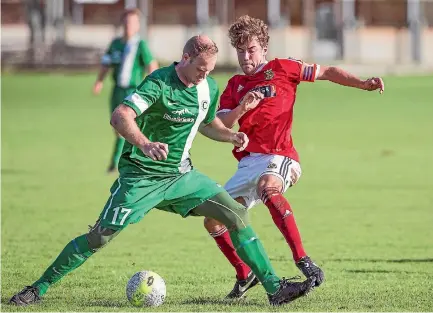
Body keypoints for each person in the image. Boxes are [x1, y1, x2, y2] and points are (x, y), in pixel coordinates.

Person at [9, 35, 316, 307]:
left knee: (235, 214)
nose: (205, 76)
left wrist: (230, 135)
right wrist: (144, 144)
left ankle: (275, 289)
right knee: (100, 238)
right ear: (185, 58)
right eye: (200, 69)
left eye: (209, 71)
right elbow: (120, 116)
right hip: (141, 178)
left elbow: (208, 124)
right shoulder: (158, 83)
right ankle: (38, 288)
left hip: (182, 177)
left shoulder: (207, 86)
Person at [203, 15, 385, 299]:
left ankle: (303, 259)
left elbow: (327, 72)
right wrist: (242, 107)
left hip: (280, 156)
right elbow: (222, 123)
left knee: (268, 187)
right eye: (240, 50)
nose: (245, 56)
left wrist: (362, 84)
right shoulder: (235, 84)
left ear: (263, 47)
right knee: (214, 219)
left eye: (251, 49)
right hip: (247, 160)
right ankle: (244, 275)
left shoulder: (283, 68)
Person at [93, 8, 159, 173]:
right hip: (117, 90)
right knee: (116, 126)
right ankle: (122, 161)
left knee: (131, 126)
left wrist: (156, 87)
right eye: (127, 21)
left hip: (133, 91)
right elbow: (105, 64)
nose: (129, 25)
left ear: (137, 25)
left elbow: (151, 65)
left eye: (133, 22)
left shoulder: (140, 44)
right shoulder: (115, 44)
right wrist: (99, 81)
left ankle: (117, 162)